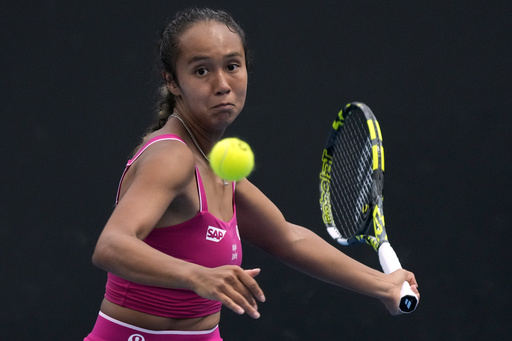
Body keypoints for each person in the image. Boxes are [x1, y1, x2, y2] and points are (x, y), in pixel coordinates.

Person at [84, 7, 419, 341]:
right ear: (172, 81)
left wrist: (384, 285)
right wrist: (197, 276)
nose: (222, 85)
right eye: (201, 71)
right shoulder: (172, 156)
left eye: (232, 66)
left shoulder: (216, 164)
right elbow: (111, 246)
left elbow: (288, 239)